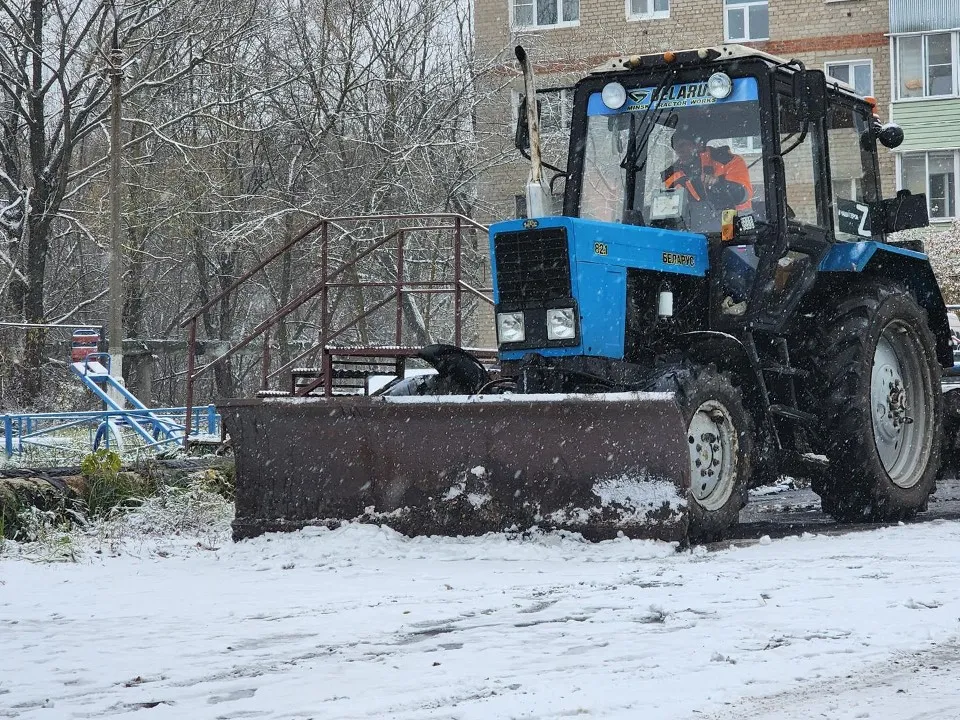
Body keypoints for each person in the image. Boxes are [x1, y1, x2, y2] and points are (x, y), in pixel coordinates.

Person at [662, 129, 753, 216]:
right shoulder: (672, 176)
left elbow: (743, 195)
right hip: (696, 224)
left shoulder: (729, 161)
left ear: (698, 145)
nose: (679, 150)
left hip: (737, 220)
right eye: (676, 147)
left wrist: (719, 183)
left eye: (683, 144)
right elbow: (670, 210)